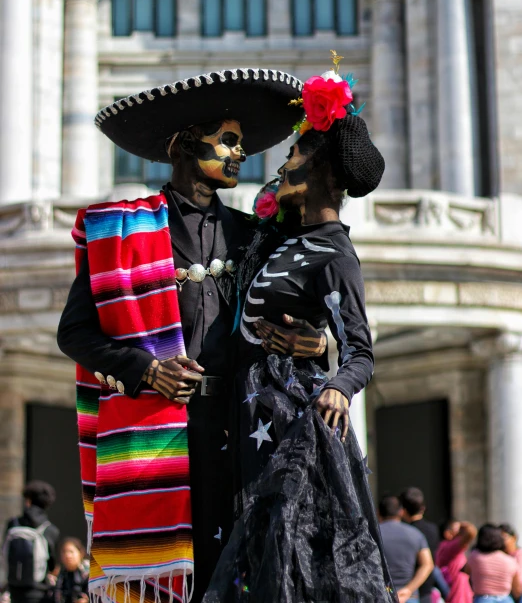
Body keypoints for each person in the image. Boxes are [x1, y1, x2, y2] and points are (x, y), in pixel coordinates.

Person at [57, 67, 327, 603]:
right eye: (227, 140)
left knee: (246, 572)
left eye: (241, 144)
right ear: (183, 144)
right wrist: (145, 369)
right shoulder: (119, 232)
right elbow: (74, 335)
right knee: (170, 578)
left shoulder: (255, 235)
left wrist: (319, 343)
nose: (238, 154)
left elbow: (310, 319)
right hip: (159, 431)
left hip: (242, 428)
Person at [203, 60, 397, 602]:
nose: (282, 164)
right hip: (246, 419)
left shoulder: (336, 254)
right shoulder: (277, 237)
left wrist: (336, 381)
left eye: (293, 155)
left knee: (287, 564)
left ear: (319, 173)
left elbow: (361, 351)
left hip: (289, 428)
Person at [3, 481, 59, 603]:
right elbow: (52, 564)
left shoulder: (13, 524)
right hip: (37, 590)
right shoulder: (49, 529)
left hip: (14, 588)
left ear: (28, 500)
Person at [380, 495, 434, 602]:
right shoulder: (416, 534)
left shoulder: (371, 534)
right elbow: (428, 564)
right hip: (408, 597)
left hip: (380, 595)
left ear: (378, 512)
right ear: (401, 512)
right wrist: (409, 589)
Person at [400, 487, 449, 603]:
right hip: (427, 585)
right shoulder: (433, 529)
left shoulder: (408, 532)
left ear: (403, 510)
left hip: (410, 587)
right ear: (423, 508)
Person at [467, 523, 521, 603]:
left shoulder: (475, 557)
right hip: (506, 599)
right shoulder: (510, 560)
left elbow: (466, 571)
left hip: (483, 599)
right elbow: (517, 589)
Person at [436, 519, 477, 603]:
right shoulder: (451, 547)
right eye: (459, 531)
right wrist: (466, 526)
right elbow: (471, 533)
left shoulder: (444, 546)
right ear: (448, 534)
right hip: (458, 593)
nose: (461, 534)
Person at [54, 538, 89, 603]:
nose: (68, 555)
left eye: (71, 552)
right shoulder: (61, 575)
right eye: (64, 552)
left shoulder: (89, 572)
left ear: (80, 553)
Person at [500, 524, 522, 601]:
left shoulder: (519, 554)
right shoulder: (499, 556)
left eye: (504, 538)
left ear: (514, 537)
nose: (502, 542)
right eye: (499, 539)